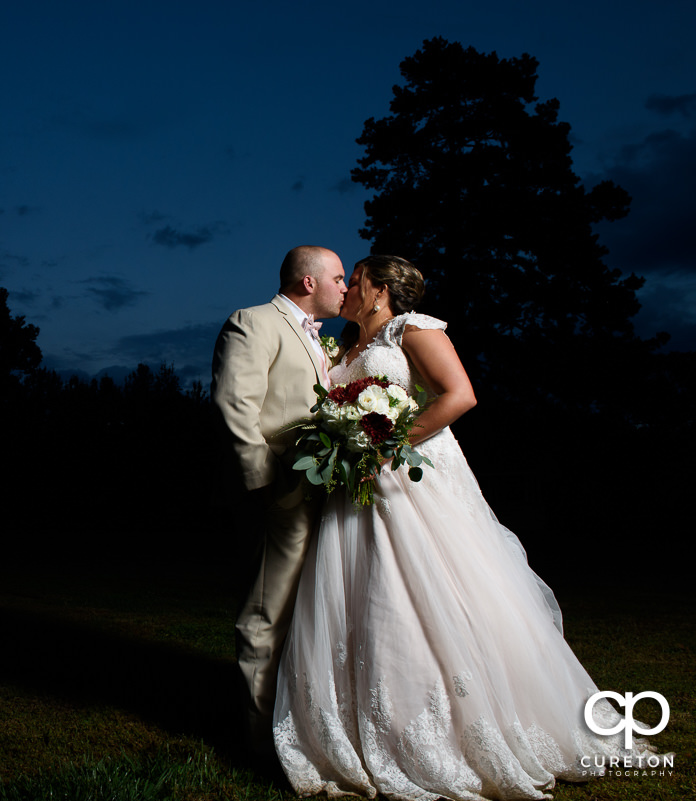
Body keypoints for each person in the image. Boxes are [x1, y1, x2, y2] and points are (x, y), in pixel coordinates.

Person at [272, 255, 660, 800]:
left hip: (409, 479)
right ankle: (363, 726)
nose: (346, 289)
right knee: (363, 598)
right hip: (355, 490)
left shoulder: (414, 329)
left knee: (437, 591)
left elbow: (460, 395)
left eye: (354, 280)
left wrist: (389, 444)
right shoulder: (345, 348)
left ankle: (467, 727)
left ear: (380, 290)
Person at [211, 245, 347, 759]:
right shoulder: (254, 322)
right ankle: (257, 742)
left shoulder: (323, 341)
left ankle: (296, 727)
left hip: (321, 493)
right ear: (309, 283)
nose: (345, 286)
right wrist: (263, 486)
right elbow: (234, 406)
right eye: (337, 277)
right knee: (266, 615)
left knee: (309, 614)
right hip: (278, 495)